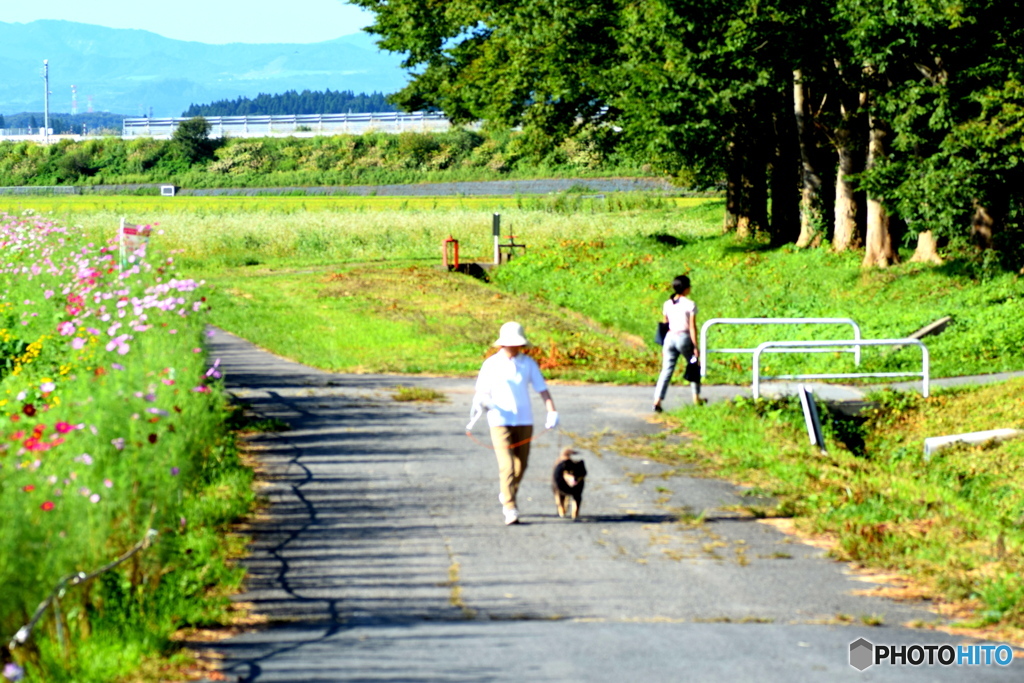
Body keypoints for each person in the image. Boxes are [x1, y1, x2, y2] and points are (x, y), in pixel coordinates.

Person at [468, 321, 558, 525]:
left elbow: (542, 389)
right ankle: (510, 506)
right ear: (502, 344)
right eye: (511, 344)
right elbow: (481, 391)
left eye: (518, 344)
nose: (515, 347)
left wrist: (551, 410)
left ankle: (506, 491)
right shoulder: (491, 364)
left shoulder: (528, 364)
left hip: (524, 420)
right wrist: (483, 402)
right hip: (499, 420)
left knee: (521, 465)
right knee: (507, 465)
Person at [652, 275, 702, 411]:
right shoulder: (690, 304)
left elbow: (665, 323)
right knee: (694, 365)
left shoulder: (667, 304)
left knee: (666, 370)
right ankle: (696, 398)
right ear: (686, 288)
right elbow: (692, 327)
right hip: (683, 337)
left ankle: (658, 400)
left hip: (669, 337)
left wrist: (663, 344)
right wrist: (696, 346)